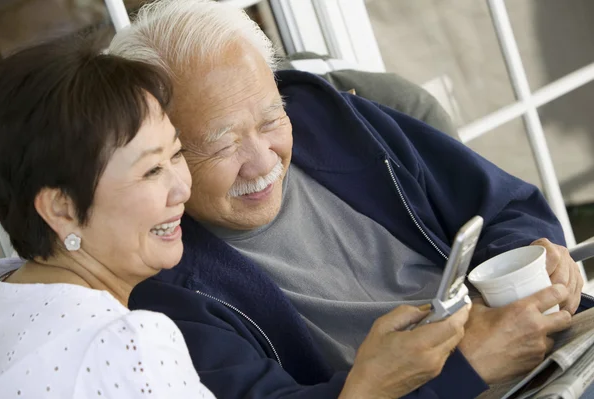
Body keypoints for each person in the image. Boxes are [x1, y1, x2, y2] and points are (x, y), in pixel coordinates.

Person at [109, 0, 587, 398]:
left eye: (270, 120)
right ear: (161, 154)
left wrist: (533, 260)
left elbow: (507, 205)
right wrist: (465, 369)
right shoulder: (162, 284)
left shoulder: (329, 118)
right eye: (220, 144)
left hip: (558, 346)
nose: (262, 161)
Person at [0, 36, 216, 398]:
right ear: (61, 209)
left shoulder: (5, 292)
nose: (182, 190)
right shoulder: (126, 347)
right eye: (150, 171)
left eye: (176, 154)